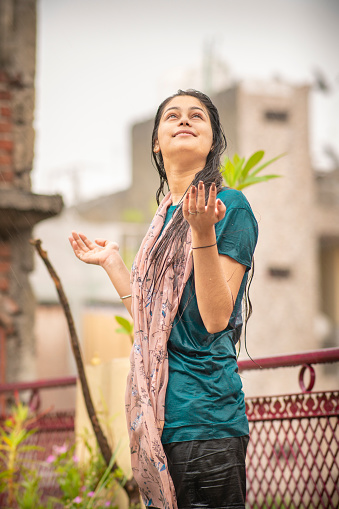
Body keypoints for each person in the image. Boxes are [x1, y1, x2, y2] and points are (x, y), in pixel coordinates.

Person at [69, 89, 258, 509]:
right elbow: (152, 325)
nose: (184, 120)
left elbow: (214, 319)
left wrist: (203, 232)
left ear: (213, 141)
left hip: (206, 419)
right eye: (172, 116)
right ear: (157, 141)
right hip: (157, 424)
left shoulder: (229, 207)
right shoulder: (162, 225)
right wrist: (114, 264)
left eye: (197, 116)